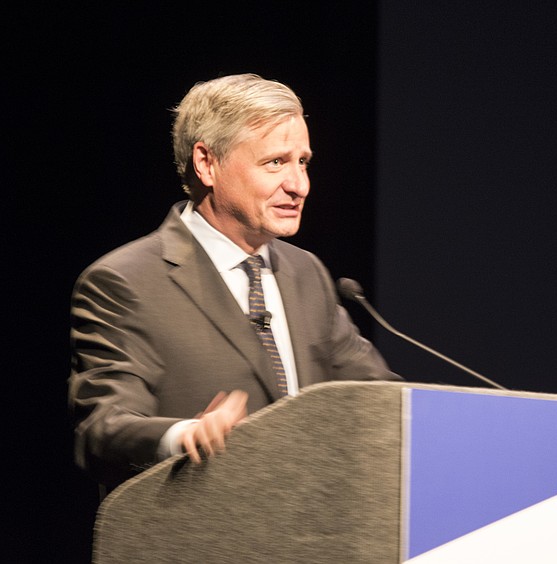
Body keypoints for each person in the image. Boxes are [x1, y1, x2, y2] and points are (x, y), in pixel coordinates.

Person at [69, 73, 399, 492]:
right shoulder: (126, 282)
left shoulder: (306, 273)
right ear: (207, 163)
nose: (299, 185)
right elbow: (104, 424)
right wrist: (185, 436)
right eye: (276, 162)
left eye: (303, 162)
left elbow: (378, 399)